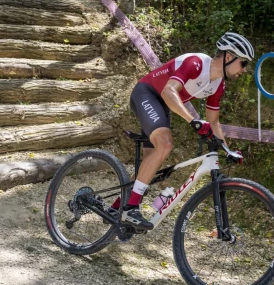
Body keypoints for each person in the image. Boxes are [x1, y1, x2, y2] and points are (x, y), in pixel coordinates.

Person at [109, 32, 254, 229]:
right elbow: (169, 91)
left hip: (162, 106)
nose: (244, 70)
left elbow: (213, 122)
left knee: (150, 165)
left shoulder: (218, 85)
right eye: (243, 63)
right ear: (229, 57)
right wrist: (193, 120)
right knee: (166, 144)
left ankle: (116, 207)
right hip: (147, 93)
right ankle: (130, 209)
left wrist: (228, 150)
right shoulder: (196, 63)